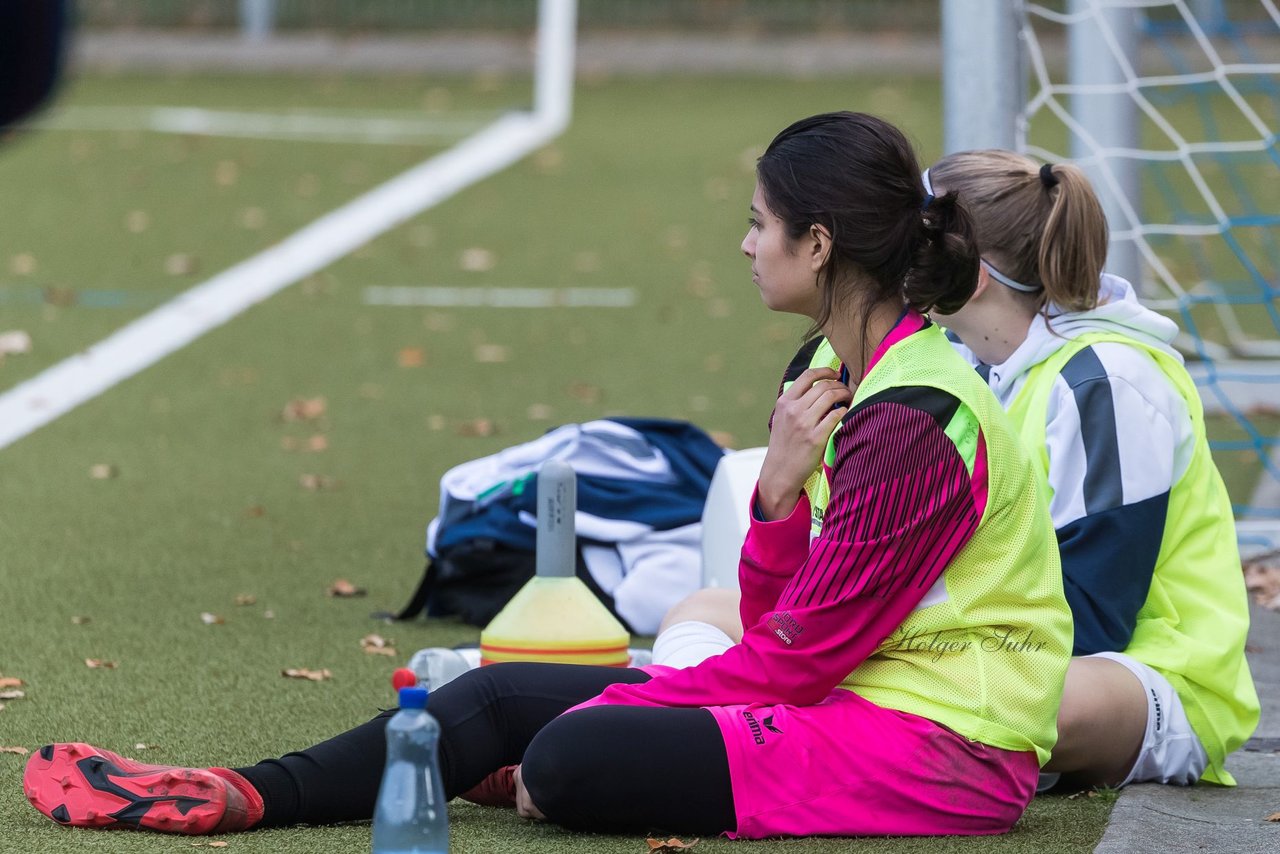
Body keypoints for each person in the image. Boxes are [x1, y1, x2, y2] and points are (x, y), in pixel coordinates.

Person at [23, 113, 1073, 839]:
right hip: (844, 701)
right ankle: (237, 793)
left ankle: (553, 767)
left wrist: (639, 697)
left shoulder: (915, 420)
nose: (743, 243)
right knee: (492, 693)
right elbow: (775, 630)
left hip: (941, 749)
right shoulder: (825, 370)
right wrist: (773, 497)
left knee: (570, 754)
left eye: (759, 223)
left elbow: (795, 659)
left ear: (818, 240)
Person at [656, 149, 1260, 791]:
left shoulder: (1109, 381)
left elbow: (1094, 616)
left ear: (965, 274)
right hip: (961, 647)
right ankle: (678, 732)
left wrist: (880, 642)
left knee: (991, 704)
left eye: (910, 241)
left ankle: (715, 743)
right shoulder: (947, 362)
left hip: (1133, 672)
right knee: (703, 610)